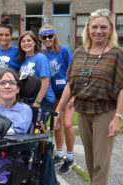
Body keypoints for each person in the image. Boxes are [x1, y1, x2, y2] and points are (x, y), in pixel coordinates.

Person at [54, 9, 123, 185]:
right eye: (95, 27)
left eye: (103, 27)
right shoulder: (79, 52)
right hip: (83, 112)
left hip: (105, 112)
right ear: (88, 29)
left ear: (110, 30)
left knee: (101, 164)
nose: (99, 31)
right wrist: (58, 111)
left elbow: (122, 88)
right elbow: (70, 84)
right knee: (92, 162)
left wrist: (118, 117)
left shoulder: (116, 53)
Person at [38, 24, 75, 175]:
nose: (47, 40)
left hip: (67, 91)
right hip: (54, 93)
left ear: (54, 36)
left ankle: (70, 157)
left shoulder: (64, 50)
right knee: (57, 125)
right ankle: (59, 154)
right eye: (43, 37)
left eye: (49, 36)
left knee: (67, 124)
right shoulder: (43, 54)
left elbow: (73, 72)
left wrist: (73, 94)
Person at [17, 31, 55, 116]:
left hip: (43, 99)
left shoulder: (41, 58)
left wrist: (37, 102)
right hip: (30, 99)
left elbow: (45, 81)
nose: (26, 43)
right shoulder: (25, 58)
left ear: (34, 42)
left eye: (29, 40)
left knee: (37, 126)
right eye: (23, 41)